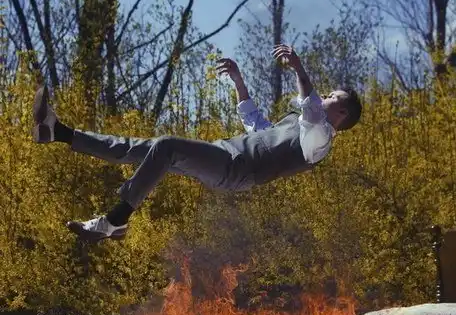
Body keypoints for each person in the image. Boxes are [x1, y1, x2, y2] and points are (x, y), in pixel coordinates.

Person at [32, 44, 362, 242]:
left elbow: (311, 107)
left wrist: (299, 67)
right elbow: (256, 124)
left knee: (166, 146)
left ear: (342, 113)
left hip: (237, 169)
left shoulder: (320, 140)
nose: (325, 95)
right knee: (139, 148)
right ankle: (58, 132)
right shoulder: (298, 125)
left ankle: (116, 219)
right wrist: (239, 81)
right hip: (225, 153)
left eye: (333, 96)